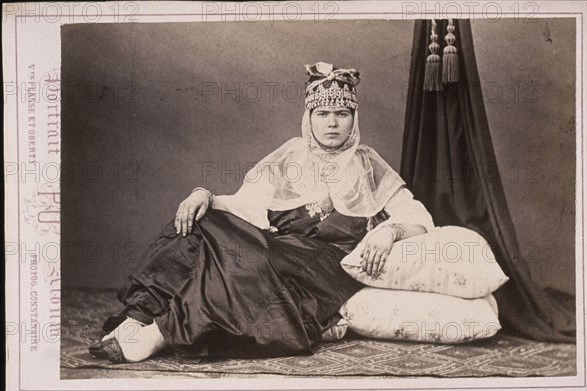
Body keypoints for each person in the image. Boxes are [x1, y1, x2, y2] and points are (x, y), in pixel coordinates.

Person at [89, 62, 435, 363]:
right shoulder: (291, 155)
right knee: (200, 224)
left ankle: (160, 334)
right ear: (309, 118)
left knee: (250, 261)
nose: (332, 124)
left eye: (342, 114)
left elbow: (418, 217)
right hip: (279, 248)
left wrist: (390, 231)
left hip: (325, 266)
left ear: (353, 119)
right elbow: (243, 203)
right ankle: (140, 315)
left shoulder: (369, 165)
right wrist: (203, 195)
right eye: (323, 114)